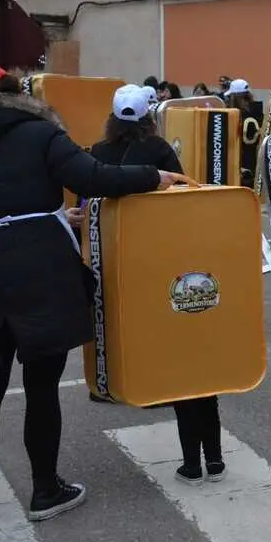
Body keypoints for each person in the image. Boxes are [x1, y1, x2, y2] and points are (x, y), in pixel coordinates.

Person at [0, 66, 190, 522]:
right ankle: (44, 490)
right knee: (41, 388)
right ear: (16, 94)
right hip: (40, 277)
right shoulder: (38, 132)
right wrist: (154, 176)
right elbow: (93, 177)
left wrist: (45, 216)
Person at [92, 84, 227, 486]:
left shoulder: (97, 154)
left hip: (125, 262)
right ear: (149, 117)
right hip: (172, 258)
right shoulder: (161, 152)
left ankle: (189, 459)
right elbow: (183, 197)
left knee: (161, 350)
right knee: (197, 363)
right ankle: (213, 459)